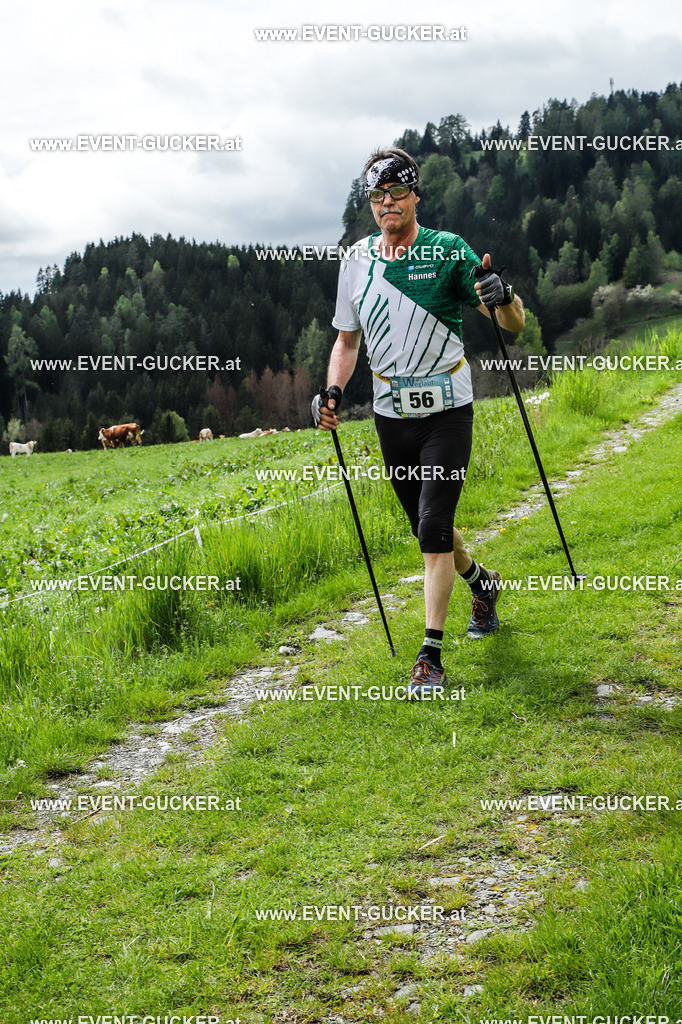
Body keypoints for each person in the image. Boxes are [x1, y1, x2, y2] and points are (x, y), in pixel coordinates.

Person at [312, 147, 525, 697]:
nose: (388, 203)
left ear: (415, 196)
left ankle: (429, 657)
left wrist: (502, 295)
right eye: (378, 195)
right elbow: (346, 343)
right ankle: (483, 584)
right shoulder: (356, 260)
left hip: (448, 412)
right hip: (391, 416)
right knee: (428, 529)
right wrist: (333, 390)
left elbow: (513, 323)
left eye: (398, 192)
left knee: (432, 530)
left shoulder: (447, 250)